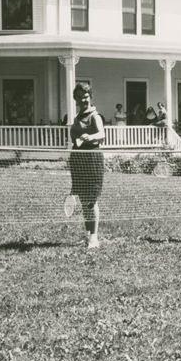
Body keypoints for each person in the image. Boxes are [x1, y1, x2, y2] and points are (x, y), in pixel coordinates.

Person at [68, 82, 105, 250]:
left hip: (91, 160)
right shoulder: (78, 116)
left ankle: (94, 238)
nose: (84, 100)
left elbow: (101, 134)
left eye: (86, 96)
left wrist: (89, 137)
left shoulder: (94, 115)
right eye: (80, 97)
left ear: (90, 96)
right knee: (84, 200)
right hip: (79, 160)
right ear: (75, 99)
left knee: (91, 200)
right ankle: (88, 235)